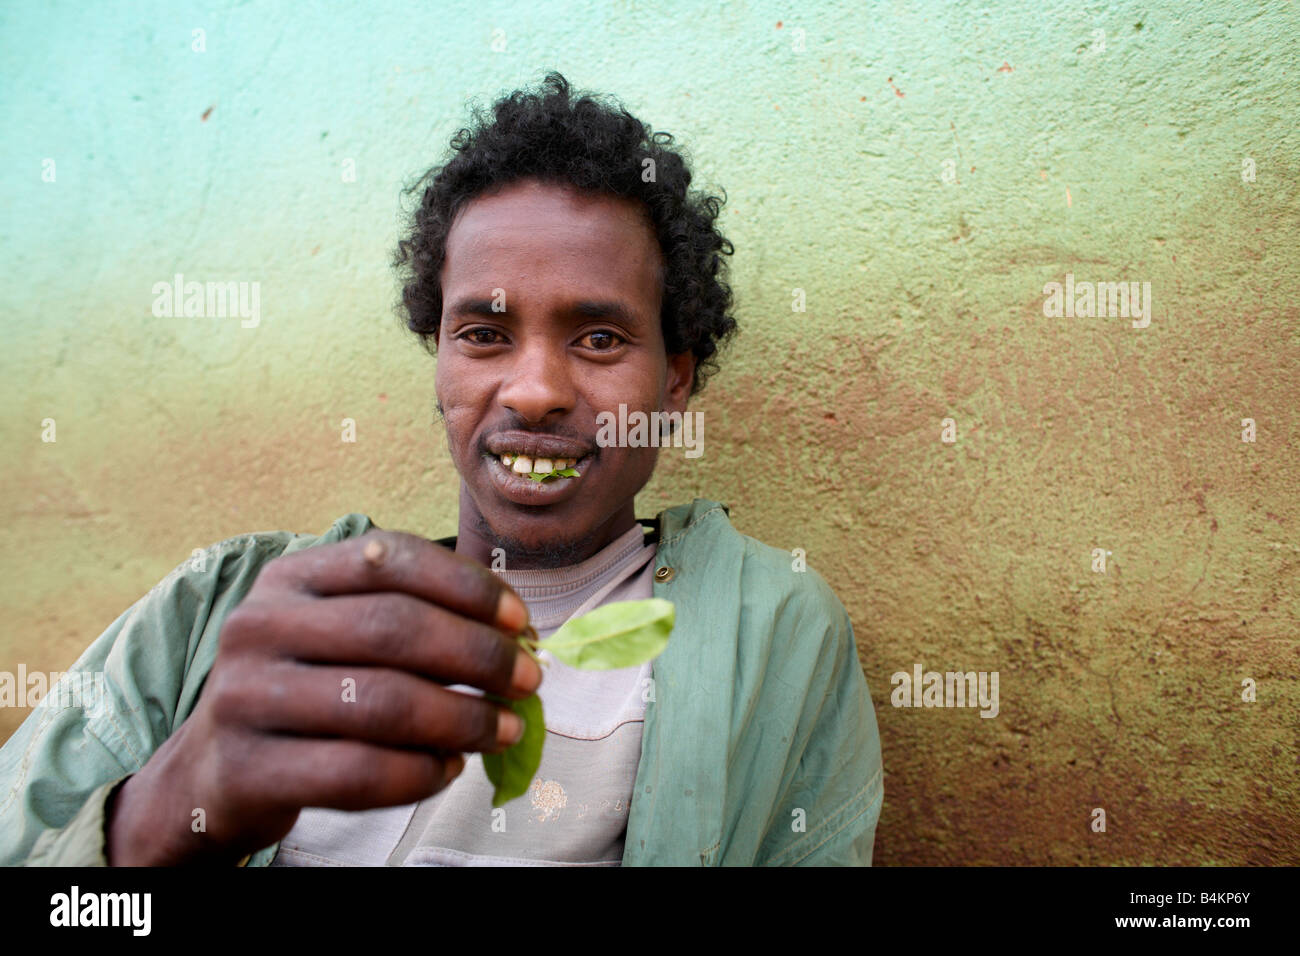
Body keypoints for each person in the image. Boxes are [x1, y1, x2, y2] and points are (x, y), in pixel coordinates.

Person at [0, 71, 883, 866]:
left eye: (601, 337)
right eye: (484, 335)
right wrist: (162, 815)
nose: (534, 391)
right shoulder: (219, 611)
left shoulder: (772, 634)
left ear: (675, 376)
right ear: (440, 360)